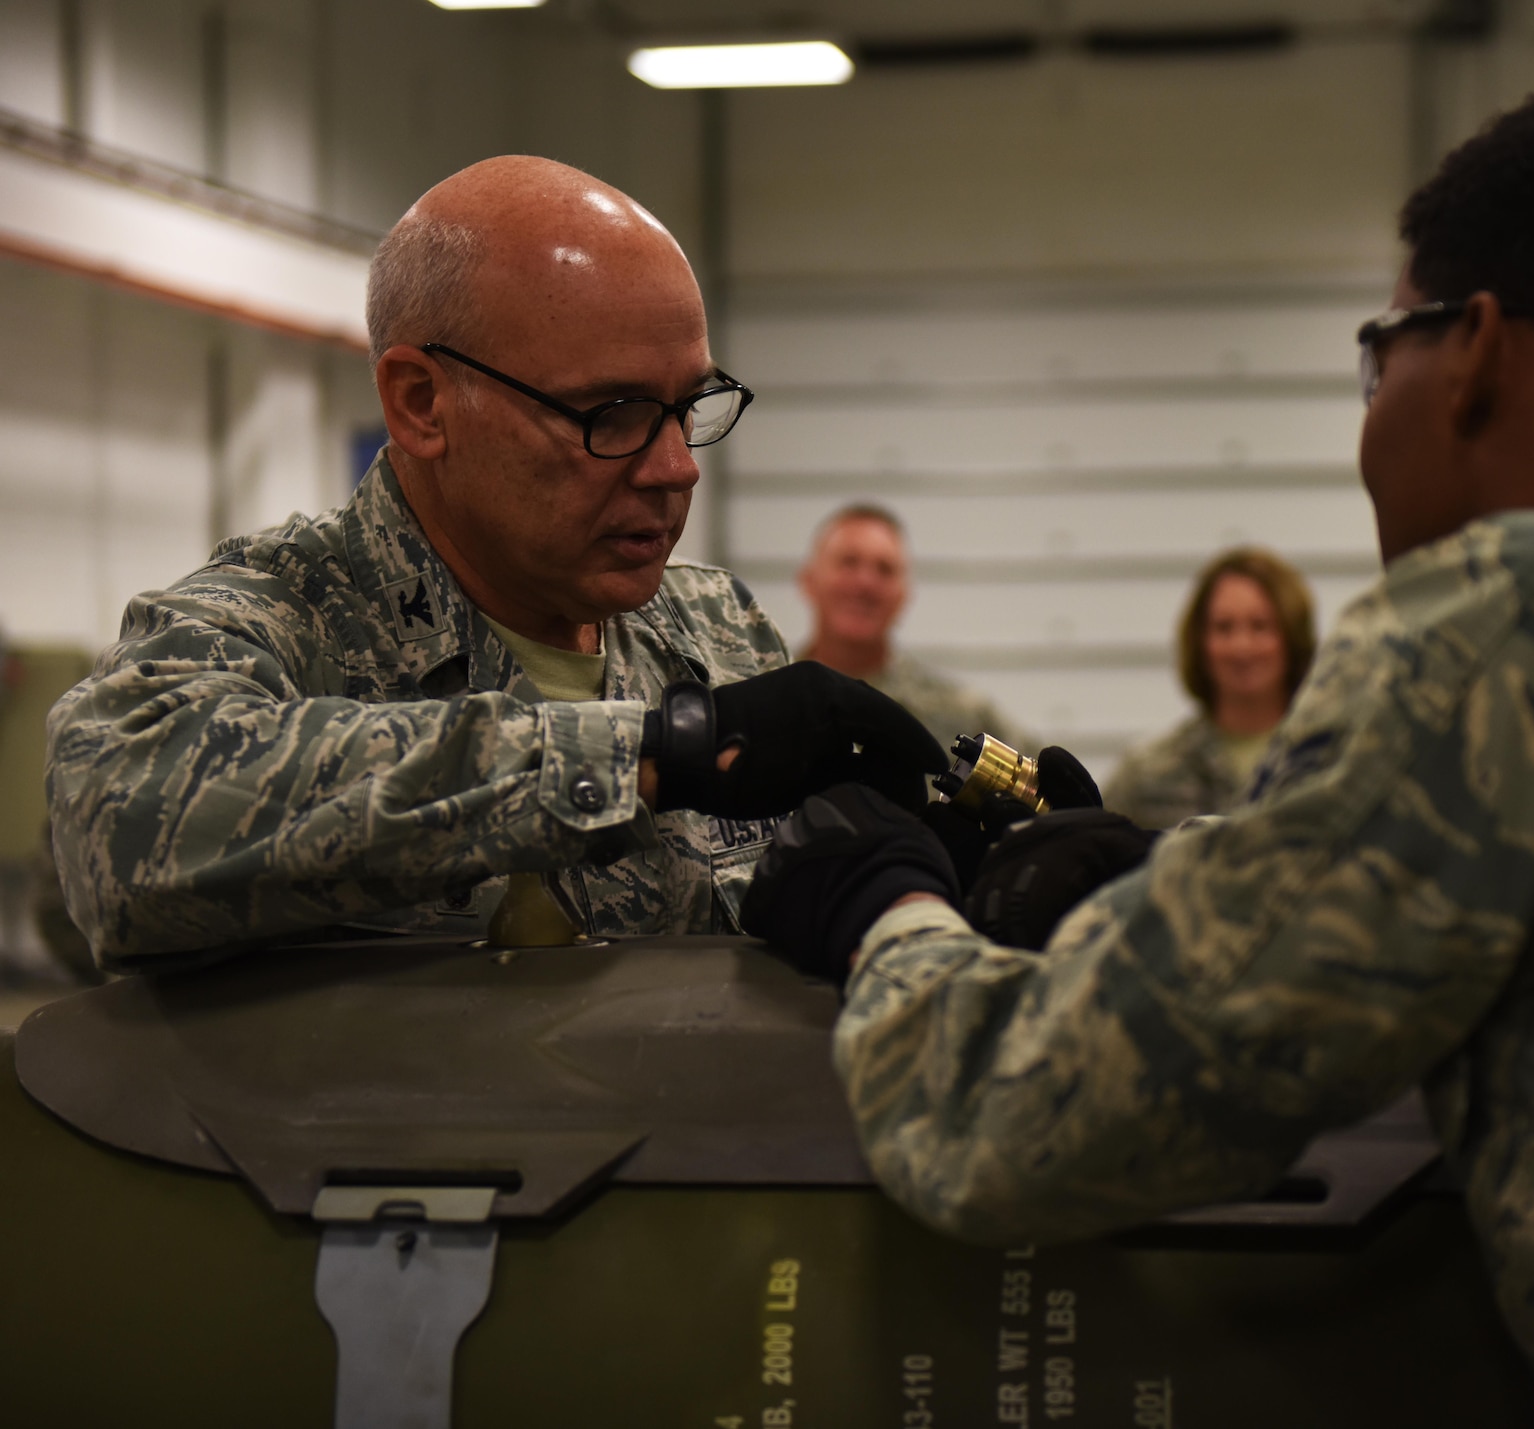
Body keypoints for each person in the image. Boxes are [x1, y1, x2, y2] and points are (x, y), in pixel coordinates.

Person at [744, 82, 1534, 1426]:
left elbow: (1012, 1120)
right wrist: (1182, 870)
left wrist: (891, 902)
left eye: (1377, 352)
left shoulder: (1525, 615)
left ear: (1477, 353)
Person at [44, 156, 942, 970]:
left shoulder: (715, 632)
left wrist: (957, 881)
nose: (676, 467)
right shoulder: (283, 621)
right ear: (422, 401)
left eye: (689, 406)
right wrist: (653, 755)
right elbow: (117, 826)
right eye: (613, 412)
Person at [1102, 548, 1315, 828]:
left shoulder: (1331, 762)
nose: (1242, 647)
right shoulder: (1147, 778)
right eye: (1224, 628)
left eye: (1260, 626)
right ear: (1200, 642)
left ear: (1291, 637)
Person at [796, 502, 1029, 749]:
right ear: (808, 581)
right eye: (848, 563)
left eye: (884, 570)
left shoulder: (962, 716)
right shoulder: (767, 701)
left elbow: (1040, 780)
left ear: (903, 596)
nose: (865, 583)